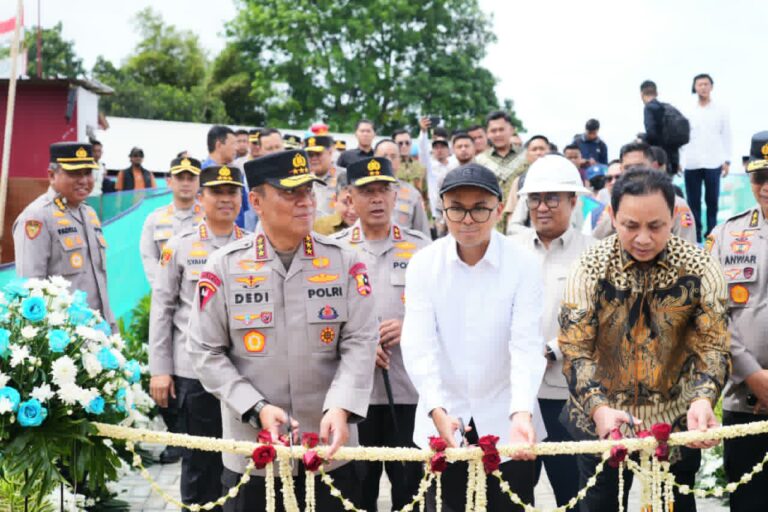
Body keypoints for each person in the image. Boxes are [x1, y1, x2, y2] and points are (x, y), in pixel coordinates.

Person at [187, 149, 378, 511]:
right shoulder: (224, 267)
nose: (305, 202)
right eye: (290, 193)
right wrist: (255, 406)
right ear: (256, 201)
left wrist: (341, 406)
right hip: (253, 456)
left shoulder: (346, 261)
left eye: (308, 191)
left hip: (330, 453)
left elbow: (360, 341)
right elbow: (205, 352)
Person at [560, 168, 730, 512]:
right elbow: (575, 348)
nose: (643, 238)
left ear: (674, 217)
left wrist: (703, 399)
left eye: (655, 226)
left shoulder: (699, 267)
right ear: (612, 216)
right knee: (599, 503)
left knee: (676, 504)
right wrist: (599, 408)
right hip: (600, 419)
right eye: (630, 226)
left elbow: (713, 346)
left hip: (676, 418)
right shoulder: (590, 266)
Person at [402, 163, 546, 512]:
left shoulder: (523, 264)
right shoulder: (423, 265)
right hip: (443, 418)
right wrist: (437, 408)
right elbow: (419, 345)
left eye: (479, 207)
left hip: (509, 419)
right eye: (456, 207)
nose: (467, 219)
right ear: (442, 210)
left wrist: (521, 411)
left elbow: (526, 344)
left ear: (499, 209)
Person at [334, 156, 430, 511]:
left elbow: (439, 314)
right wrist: (356, 343)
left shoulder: (422, 248)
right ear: (350, 198)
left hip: (409, 393)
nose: (376, 199)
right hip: (353, 397)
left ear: (396, 195)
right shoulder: (335, 251)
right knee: (356, 495)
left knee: (412, 493)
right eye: (366, 192)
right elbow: (322, 321)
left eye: (383, 191)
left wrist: (410, 327)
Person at [149, 164, 247, 507]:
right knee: (198, 465)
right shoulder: (178, 246)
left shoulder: (253, 247)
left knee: (242, 464)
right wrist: (160, 370)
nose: (225, 199)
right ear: (201, 198)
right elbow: (161, 310)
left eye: (232, 192)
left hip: (243, 373)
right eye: (217, 193)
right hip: (194, 374)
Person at [509, 154, 594, 507]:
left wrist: (549, 350)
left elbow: (597, 318)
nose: (542, 207)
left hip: (567, 396)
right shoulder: (508, 251)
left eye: (552, 198)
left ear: (573, 201)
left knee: (573, 494)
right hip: (515, 398)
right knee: (512, 495)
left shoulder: (593, 253)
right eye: (535, 199)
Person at [708, 131, 768, 512]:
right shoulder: (728, 235)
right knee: (749, 503)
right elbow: (710, 313)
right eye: (761, 177)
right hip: (745, 402)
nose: (767, 187)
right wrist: (754, 375)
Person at [13, 142, 114, 326]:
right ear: (51, 175)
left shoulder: (89, 213)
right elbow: (32, 287)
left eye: (87, 172)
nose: (83, 180)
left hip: (98, 332)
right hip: (64, 340)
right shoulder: (37, 216)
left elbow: (99, 284)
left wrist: (111, 328)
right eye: (74, 173)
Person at [592, 142, 697, 243]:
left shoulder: (677, 206)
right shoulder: (614, 206)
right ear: (621, 170)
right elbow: (596, 241)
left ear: (653, 167)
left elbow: (687, 250)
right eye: (628, 168)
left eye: (639, 166)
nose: (633, 172)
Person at [683, 73, 732, 242]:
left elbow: (726, 135)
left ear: (711, 86)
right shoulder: (688, 111)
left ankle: (712, 235)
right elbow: (683, 137)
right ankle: (695, 236)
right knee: (693, 202)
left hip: (713, 161)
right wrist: (680, 160)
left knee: (712, 202)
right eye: (699, 84)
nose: (703, 87)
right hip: (692, 162)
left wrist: (727, 160)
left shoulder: (721, 110)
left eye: (706, 84)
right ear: (694, 87)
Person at [139, 157, 203, 286]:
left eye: (191, 178)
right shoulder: (154, 219)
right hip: (166, 292)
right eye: (180, 178)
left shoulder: (209, 217)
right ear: (169, 182)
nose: (185, 183)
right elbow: (149, 258)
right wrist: (162, 289)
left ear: (199, 182)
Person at [374, 139, 431, 237]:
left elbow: (423, 233)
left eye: (393, 156)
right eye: (384, 156)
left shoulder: (412, 193)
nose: (388, 161)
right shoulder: (362, 191)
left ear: (399, 160)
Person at [640, 80, 686, 174]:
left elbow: (652, 134)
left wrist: (642, 137)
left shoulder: (649, 108)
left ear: (641, 94)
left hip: (660, 160)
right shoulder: (668, 108)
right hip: (673, 159)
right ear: (656, 93)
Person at [474, 111, 521, 194]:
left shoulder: (526, 156)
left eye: (501, 129)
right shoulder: (479, 160)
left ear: (512, 130)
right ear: (487, 134)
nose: (498, 134)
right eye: (493, 131)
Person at [305, 134, 339, 218]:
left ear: (330, 152)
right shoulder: (304, 179)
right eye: (310, 155)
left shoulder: (343, 176)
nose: (313, 158)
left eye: (318, 154)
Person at [392, 128, 427, 200]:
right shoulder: (389, 167)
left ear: (411, 144)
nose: (404, 146)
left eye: (407, 143)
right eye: (400, 143)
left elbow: (425, 193)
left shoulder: (420, 167)